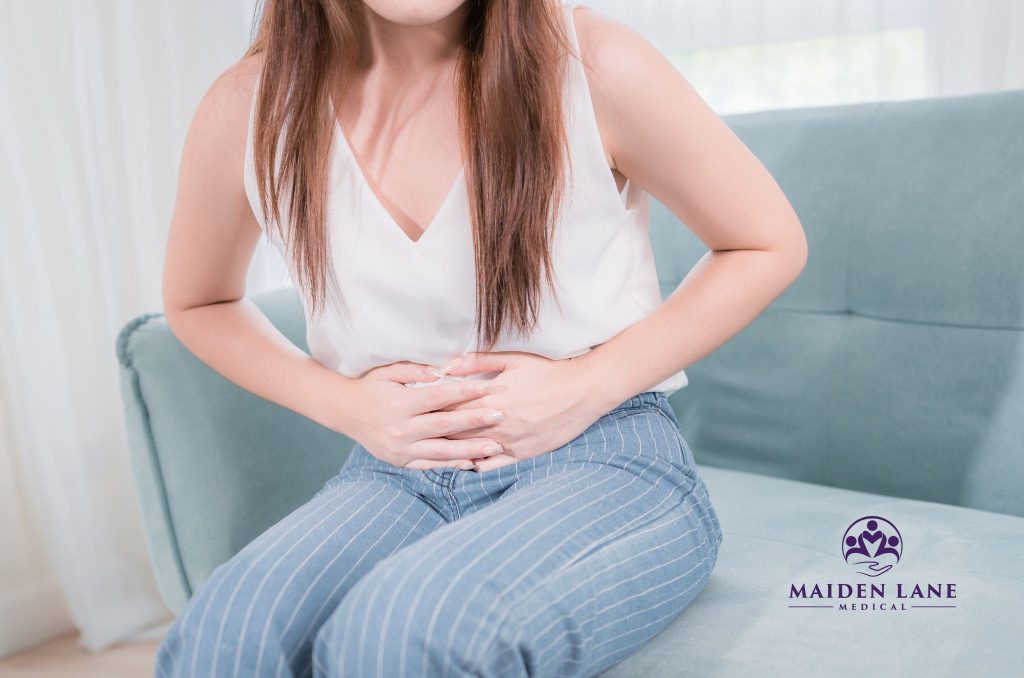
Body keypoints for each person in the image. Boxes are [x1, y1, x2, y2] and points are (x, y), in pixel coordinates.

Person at [156, 0, 807, 675]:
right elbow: (199, 301)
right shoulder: (248, 107)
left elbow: (766, 242)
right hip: (397, 474)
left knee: (400, 634)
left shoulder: (593, 65)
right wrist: (345, 405)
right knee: (225, 634)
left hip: (607, 455)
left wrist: (588, 385)